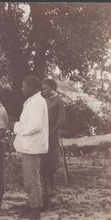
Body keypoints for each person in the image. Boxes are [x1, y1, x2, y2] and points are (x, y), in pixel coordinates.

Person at [13, 75, 49, 220]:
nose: (22, 89)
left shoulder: (36, 102)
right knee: (30, 178)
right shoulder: (33, 101)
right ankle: (33, 205)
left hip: (32, 146)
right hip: (29, 146)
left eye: (24, 86)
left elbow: (35, 125)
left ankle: (35, 210)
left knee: (32, 179)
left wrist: (17, 128)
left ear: (33, 88)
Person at [41, 78, 65, 210]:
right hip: (42, 136)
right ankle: (45, 190)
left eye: (45, 88)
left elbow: (61, 121)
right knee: (43, 162)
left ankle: (52, 190)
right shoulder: (43, 101)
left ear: (52, 88)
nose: (43, 91)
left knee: (51, 162)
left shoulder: (58, 101)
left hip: (52, 137)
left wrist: (51, 132)